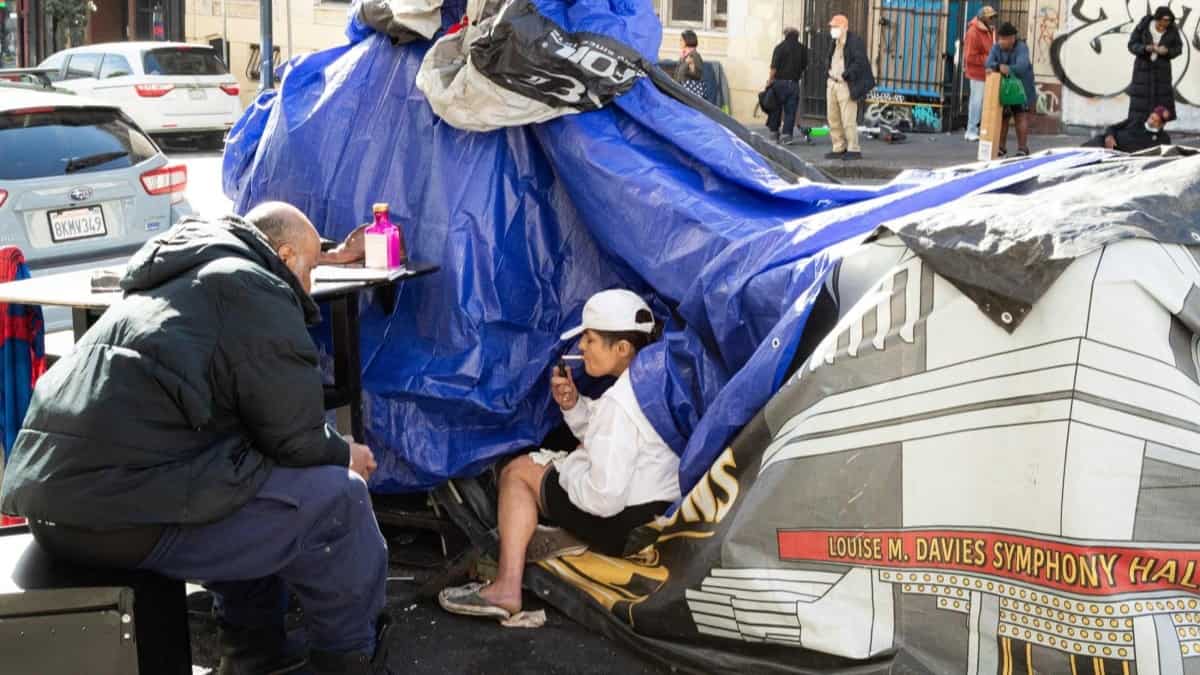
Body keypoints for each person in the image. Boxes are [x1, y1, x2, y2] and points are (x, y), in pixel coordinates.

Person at [0, 203, 393, 675]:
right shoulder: (252, 287)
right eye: (309, 269)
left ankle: (255, 651)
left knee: (245, 477)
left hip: (58, 509)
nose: (308, 288)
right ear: (285, 256)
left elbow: (261, 432)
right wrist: (345, 452)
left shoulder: (177, 277)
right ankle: (348, 660)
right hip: (113, 515)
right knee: (338, 498)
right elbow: (298, 439)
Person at [439, 289, 681, 618]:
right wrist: (574, 406)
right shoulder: (654, 377)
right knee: (561, 461)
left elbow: (603, 498)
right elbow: (616, 438)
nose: (581, 348)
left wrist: (563, 469)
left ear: (622, 348)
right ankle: (563, 533)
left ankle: (505, 589)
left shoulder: (618, 404)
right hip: (655, 511)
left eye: (591, 340)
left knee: (519, 471)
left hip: (623, 524)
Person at [825, 14, 875, 161]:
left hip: (845, 85)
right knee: (833, 118)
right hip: (832, 83)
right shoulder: (833, 41)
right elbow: (830, 58)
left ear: (844, 27)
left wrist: (847, 75)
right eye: (832, 27)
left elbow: (860, 62)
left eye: (836, 27)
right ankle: (838, 147)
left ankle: (853, 149)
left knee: (848, 120)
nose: (833, 29)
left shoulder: (855, 42)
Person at [986, 22, 1036, 157]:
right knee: (1003, 117)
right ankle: (1001, 146)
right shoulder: (996, 48)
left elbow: (1022, 66)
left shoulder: (1022, 48)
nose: (1000, 41)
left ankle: (1022, 148)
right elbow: (988, 62)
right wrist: (998, 66)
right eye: (999, 38)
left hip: (1021, 87)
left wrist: (1009, 69)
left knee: (1020, 116)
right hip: (1004, 87)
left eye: (1003, 39)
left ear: (1012, 38)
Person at [1127, 6, 1182, 123]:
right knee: (1141, 107)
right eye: (1161, 23)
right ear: (1156, 19)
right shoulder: (1143, 27)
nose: (1163, 26)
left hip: (1162, 73)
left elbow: (1178, 48)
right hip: (1143, 72)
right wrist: (1145, 48)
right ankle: (1140, 134)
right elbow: (1132, 45)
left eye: (1167, 22)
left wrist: (1167, 51)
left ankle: (1157, 135)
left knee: (1161, 109)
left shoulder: (1172, 29)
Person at [766, 27, 809, 145]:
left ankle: (774, 134)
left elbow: (774, 67)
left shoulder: (780, 48)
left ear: (785, 35)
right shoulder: (803, 49)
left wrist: (770, 81)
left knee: (776, 109)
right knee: (790, 111)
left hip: (779, 83)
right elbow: (804, 66)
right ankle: (787, 136)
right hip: (794, 83)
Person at [963, 5, 997, 141]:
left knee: (981, 102)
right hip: (978, 72)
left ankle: (978, 130)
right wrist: (989, 58)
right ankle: (971, 130)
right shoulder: (973, 32)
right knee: (976, 102)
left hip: (986, 71)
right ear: (983, 18)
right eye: (990, 17)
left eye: (993, 17)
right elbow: (970, 57)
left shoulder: (989, 30)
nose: (992, 19)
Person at [1083, 105, 1172, 152]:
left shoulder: (1163, 139)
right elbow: (1112, 128)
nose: (1151, 121)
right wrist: (1109, 137)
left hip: (1117, 156)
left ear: (1162, 125)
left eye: (1156, 121)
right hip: (1103, 142)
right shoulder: (1136, 120)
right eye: (1151, 117)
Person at [674, 29, 706, 100]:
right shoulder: (684, 55)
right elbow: (678, 73)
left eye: (681, 40)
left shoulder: (694, 55)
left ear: (688, 40)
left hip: (689, 94)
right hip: (681, 90)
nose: (680, 42)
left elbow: (697, 75)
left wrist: (687, 64)